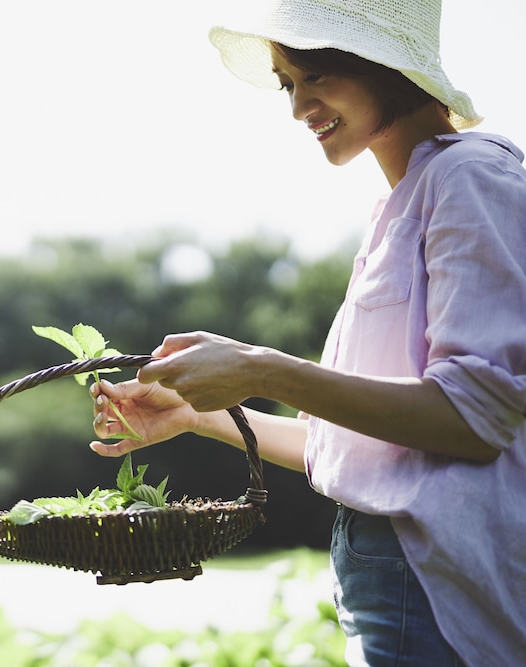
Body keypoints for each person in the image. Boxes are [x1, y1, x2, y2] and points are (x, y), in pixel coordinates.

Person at [88, 1, 526, 665]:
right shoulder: (399, 203)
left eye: (317, 74)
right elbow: (364, 446)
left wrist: (263, 367)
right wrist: (204, 415)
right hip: (390, 577)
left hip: (431, 586)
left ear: (388, 66)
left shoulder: (470, 179)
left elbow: (473, 416)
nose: (298, 107)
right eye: (289, 83)